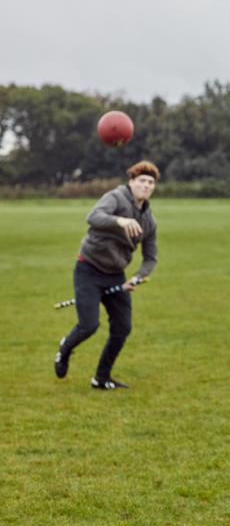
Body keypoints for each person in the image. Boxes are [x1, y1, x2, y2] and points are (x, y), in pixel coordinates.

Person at [54, 160, 160, 390]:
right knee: (89, 325)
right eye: (142, 180)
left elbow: (151, 257)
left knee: (123, 327)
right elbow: (93, 217)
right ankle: (65, 347)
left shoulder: (149, 221)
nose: (146, 185)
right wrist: (119, 220)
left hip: (115, 275)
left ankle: (101, 378)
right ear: (132, 182)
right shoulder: (116, 197)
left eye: (150, 182)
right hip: (88, 268)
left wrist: (138, 277)